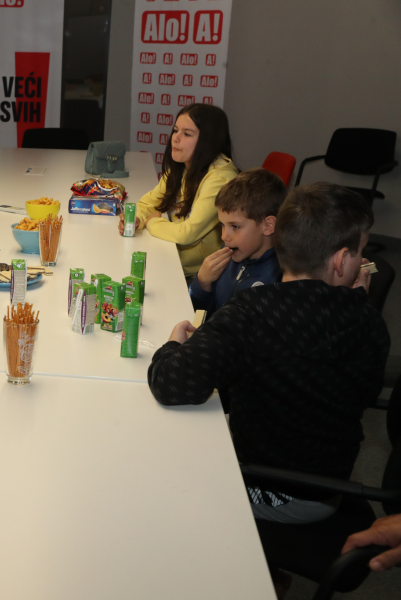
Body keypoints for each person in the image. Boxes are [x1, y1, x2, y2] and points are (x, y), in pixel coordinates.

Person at [147, 183, 389, 525]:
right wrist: (357, 303)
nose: (363, 261)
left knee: (152, 467)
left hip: (268, 487)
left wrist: (173, 345)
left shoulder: (251, 312)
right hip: (326, 487)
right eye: (360, 252)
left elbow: (169, 384)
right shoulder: (368, 321)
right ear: (339, 261)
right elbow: (364, 393)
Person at [118, 103, 238, 279]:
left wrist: (152, 222)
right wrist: (137, 219)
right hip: (174, 260)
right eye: (175, 130)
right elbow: (148, 203)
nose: (175, 138)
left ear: (208, 140)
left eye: (187, 134)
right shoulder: (183, 166)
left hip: (199, 276)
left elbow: (187, 234)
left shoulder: (220, 179)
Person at [189, 169, 286, 315]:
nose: (224, 236)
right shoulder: (227, 258)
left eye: (235, 226)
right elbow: (202, 314)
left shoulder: (278, 281)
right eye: (222, 225)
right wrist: (202, 283)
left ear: (268, 226)